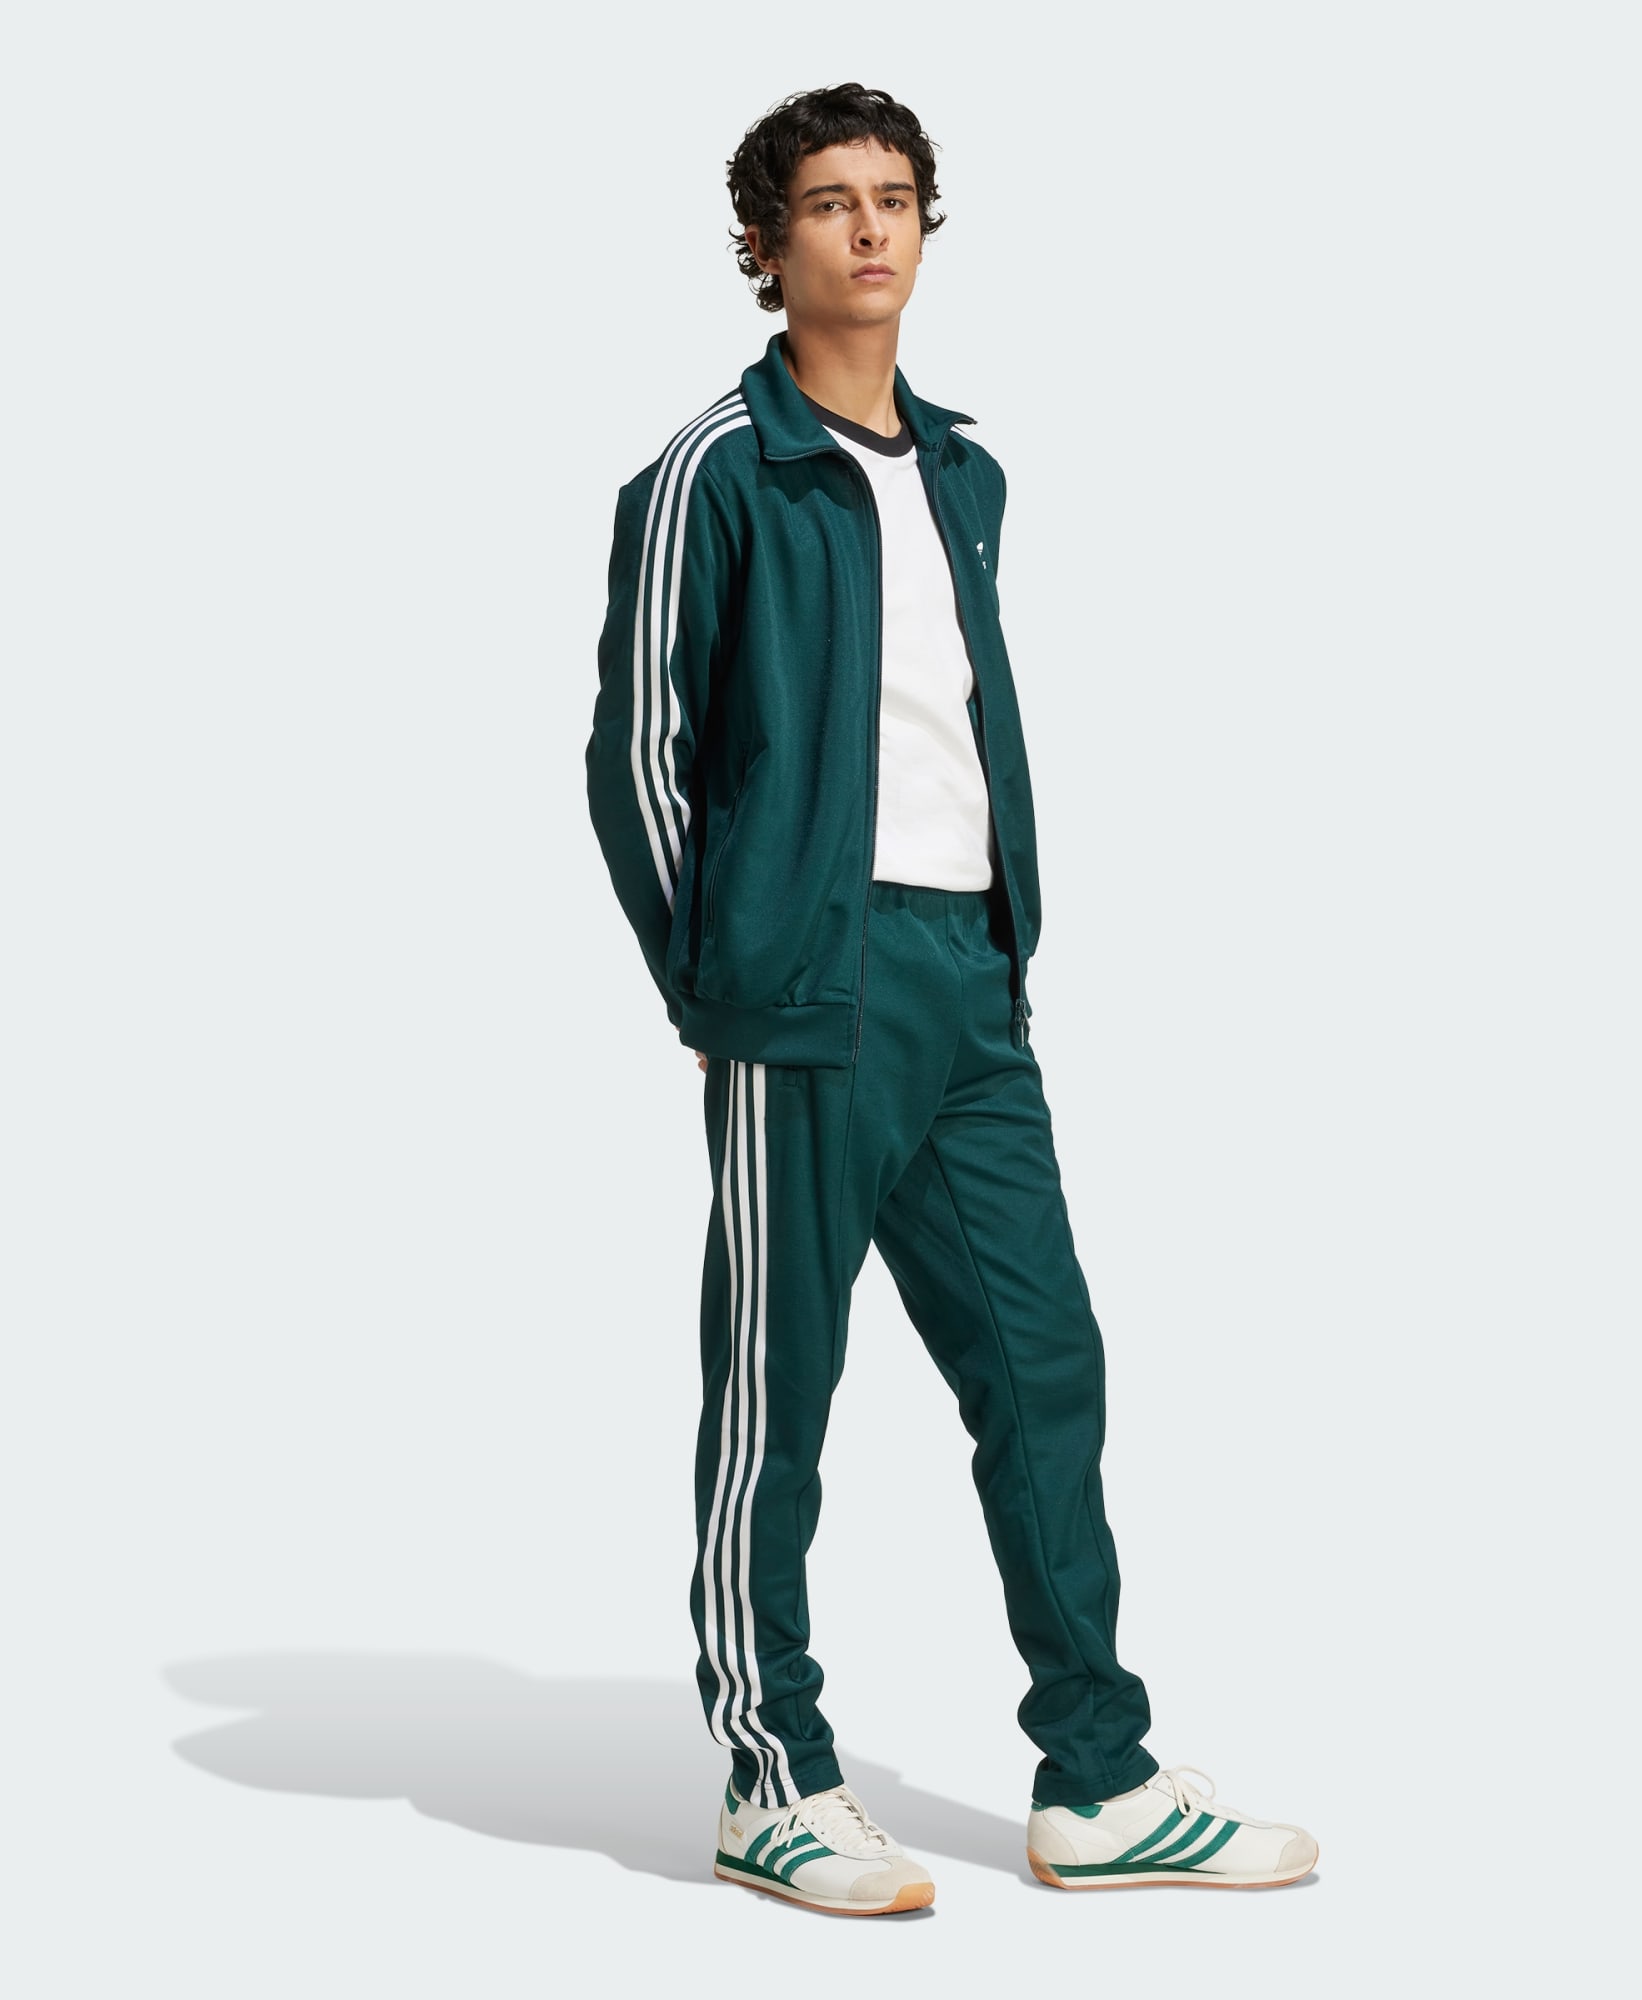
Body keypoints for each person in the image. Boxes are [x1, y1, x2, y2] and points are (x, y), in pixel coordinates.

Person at [584, 82, 1319, 1915]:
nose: (870, 228)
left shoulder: (967, 473)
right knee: (780, 1391)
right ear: (766, 246)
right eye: (830, 202)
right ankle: (773, 1779)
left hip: (970, 983)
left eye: (897, 197)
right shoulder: (712, 473)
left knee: (1044, 1363)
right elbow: (637, 757)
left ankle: (1100, 1778)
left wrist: (999, 942)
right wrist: (720, 974)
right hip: (803, 991)